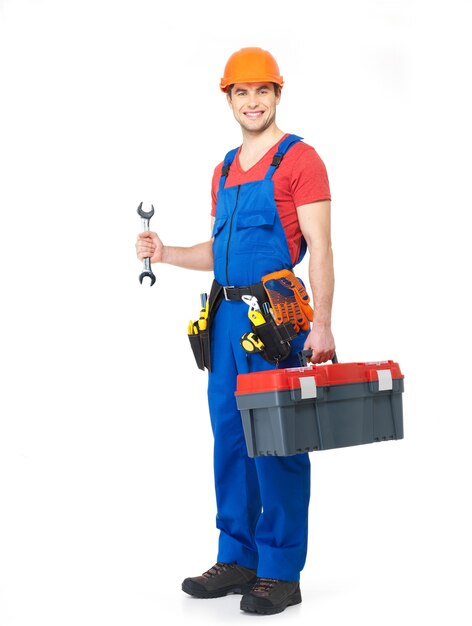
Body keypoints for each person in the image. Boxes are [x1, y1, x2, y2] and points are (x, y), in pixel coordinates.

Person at [136, 47, 335, 615]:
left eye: (262, 91)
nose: (253, 102)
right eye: (241, 92)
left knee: (278, 443)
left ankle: (279, 571)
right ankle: (237, 556)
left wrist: (321, 324)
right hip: (224, 321)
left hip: (276, 321)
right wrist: (167, 251)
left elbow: (320, 247)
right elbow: (219, 254)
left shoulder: (302, 161)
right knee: (231, 440)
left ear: (278, 95)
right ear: (228, 98)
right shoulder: (223, 168)